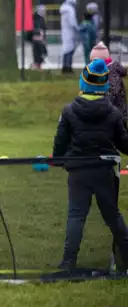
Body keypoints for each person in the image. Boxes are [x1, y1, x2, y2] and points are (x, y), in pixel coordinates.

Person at [52, 58, 128, 271]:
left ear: (83, 83)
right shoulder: (113, 113)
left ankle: (68, 261)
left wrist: (57, 160)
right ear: (104, 86)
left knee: (76, 215)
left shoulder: (69, 111)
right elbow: (124, 144)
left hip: (78, 171)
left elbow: (60, 141)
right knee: (112, 215)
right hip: (103, 171)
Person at [90, 42, 128, 120]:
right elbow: (124, 72)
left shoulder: (94, 71)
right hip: (119, 102)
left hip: (104, 105)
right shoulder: (115, 65)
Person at [60, 0, 79, 74]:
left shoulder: (63, 9)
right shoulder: (70, 10)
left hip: (64, 31)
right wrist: (77, 28)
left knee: (65, 49)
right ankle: (68, 67)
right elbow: (72, 21)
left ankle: (64, 66)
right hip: (70, 31)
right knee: (70, 49)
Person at [31, 5, 48, 70]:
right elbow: (43, 29)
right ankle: (37, 64)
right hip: (39, 38)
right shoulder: (40, 19)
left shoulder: (37, 18)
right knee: (39, 52)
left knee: (38, 52)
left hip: (37, 38)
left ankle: (37, 64)